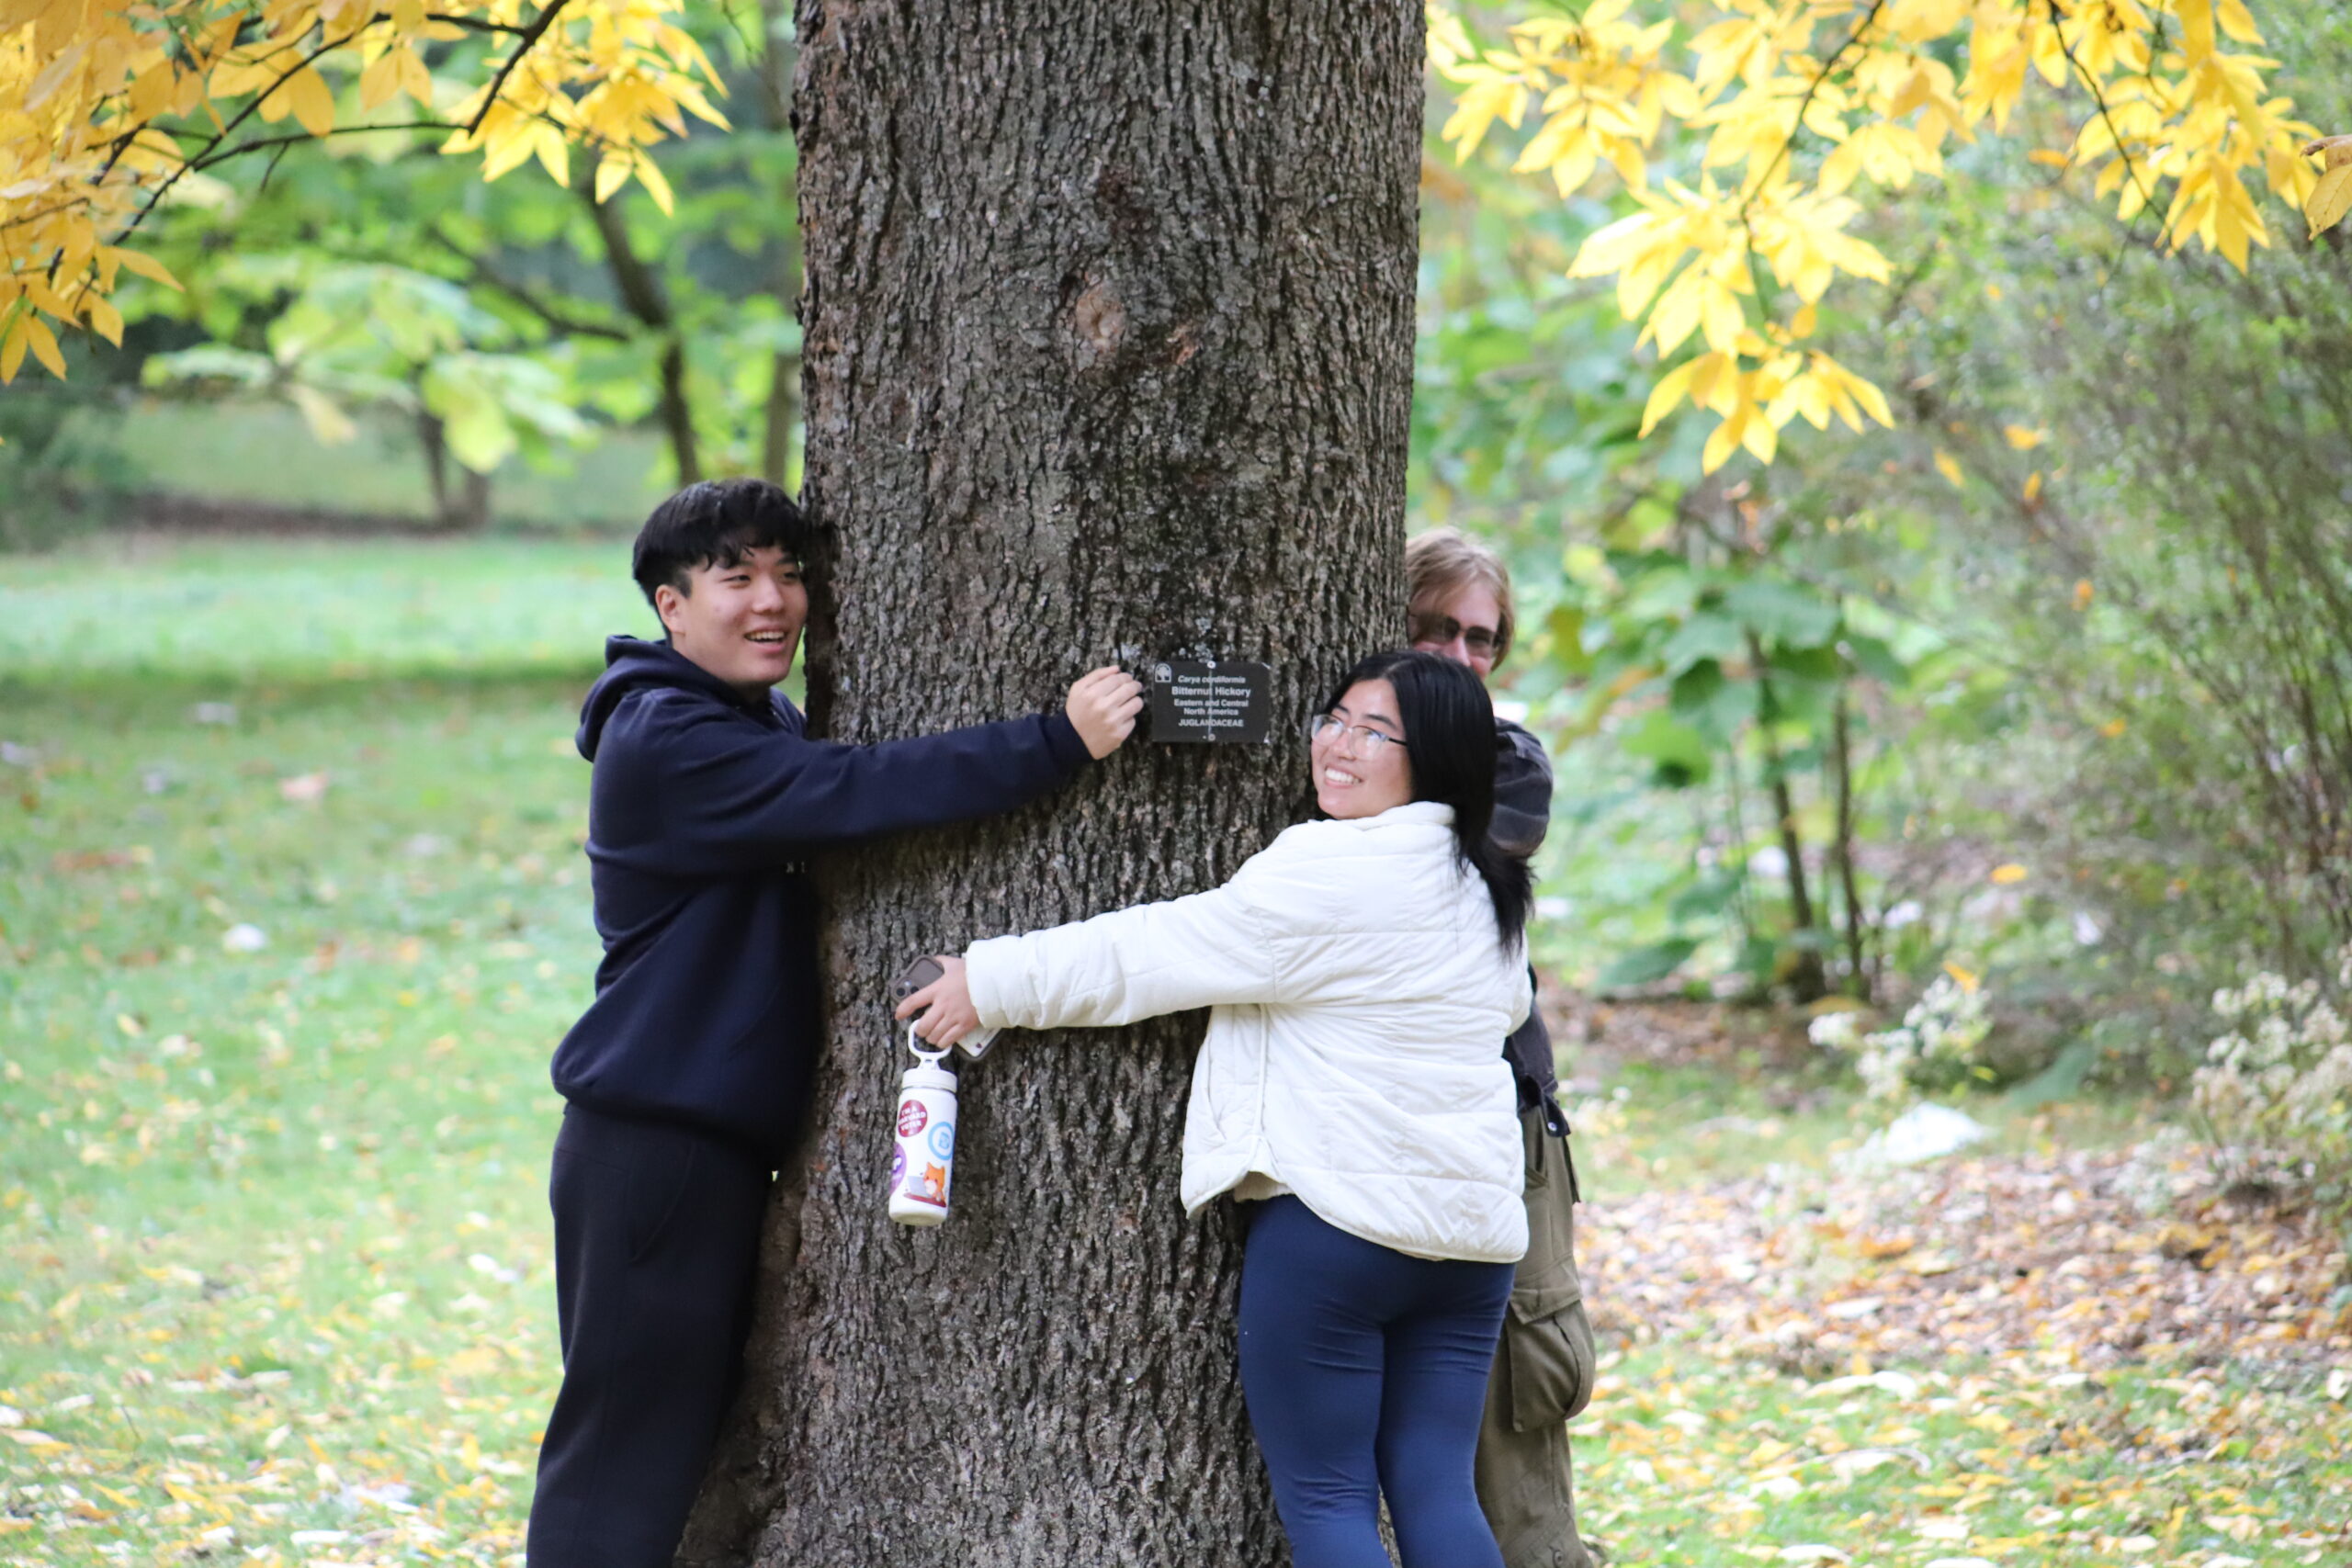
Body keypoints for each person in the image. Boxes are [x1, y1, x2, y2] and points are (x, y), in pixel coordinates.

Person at [526, 478, 1144, 1568]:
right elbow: (857, 789)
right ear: (671, 607)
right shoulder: (671, 736)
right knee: (620, 1456)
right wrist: (1057, 740)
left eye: (790, 573)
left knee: (677, 1443)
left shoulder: (737, 712)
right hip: (654, 1147)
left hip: (698, 1143)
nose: (773, 601)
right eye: (736, 577)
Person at [898, 649, 1533, 1568]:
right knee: (1436, 1489)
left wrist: (987, 980)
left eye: (1377, 732)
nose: (1339, 746)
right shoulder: (1487, 885)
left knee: (1328, 1503)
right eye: (1335, 718)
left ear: (1433, 759)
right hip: (1471, 1248)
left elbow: (1159, 952)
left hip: (1338, 1235)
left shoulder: (1331, 868)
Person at [1407, 526, 1598, 1568]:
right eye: (1431, 629)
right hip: (1370, 1125)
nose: (1459, 658)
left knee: (1517, 1411)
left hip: (1504, 1120)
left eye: (1480, 639)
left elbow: (1449, 865)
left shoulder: (1509, 759)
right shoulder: (1350, 740)